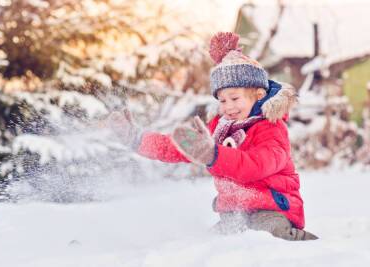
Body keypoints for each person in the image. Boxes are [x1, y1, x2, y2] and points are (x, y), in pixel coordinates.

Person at [106, 32, 318, 241]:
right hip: (235, 213)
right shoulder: (220, 128)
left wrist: (213, 154)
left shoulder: (271, 129)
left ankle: (307, 247)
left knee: (269, 237)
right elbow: (178, 146)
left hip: (273, 209)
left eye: (235, 98)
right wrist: (137, 139)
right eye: (222, 100)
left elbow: (255, 166)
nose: (228, 107)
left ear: (259, 95)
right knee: (210, 243)